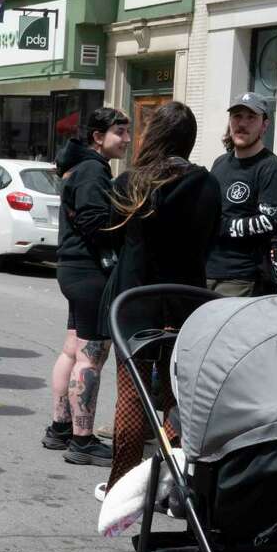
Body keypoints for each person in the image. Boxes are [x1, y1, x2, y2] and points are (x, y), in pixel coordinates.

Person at [99, 101, 221, 492]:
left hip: (135, 300)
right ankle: (170, 482)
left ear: (154, 135)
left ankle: (122, 486)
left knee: (132, 395)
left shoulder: (129, 184)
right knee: (177, 396)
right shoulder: (206, 183)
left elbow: (115, 241)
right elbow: (209, 240)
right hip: (186, 300)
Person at [45, 107, 130, 467]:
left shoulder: (81, 167)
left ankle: (60, 428)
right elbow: (96, 225)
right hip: (89, 273)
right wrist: (129, 223)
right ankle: (81, 440)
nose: (127, 139)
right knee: (91, 357)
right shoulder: (94, 171)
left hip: (73, 269)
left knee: (71, 350)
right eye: (120, 133)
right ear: (98, 137)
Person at [205, 92, 277, 297]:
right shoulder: (220, 163)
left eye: (251, 117)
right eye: (237, 116)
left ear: (264, 126)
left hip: (241, 276)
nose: (242, 123)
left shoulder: (270, 168)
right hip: (207, 270)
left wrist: (223, 226)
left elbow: (272, 221)